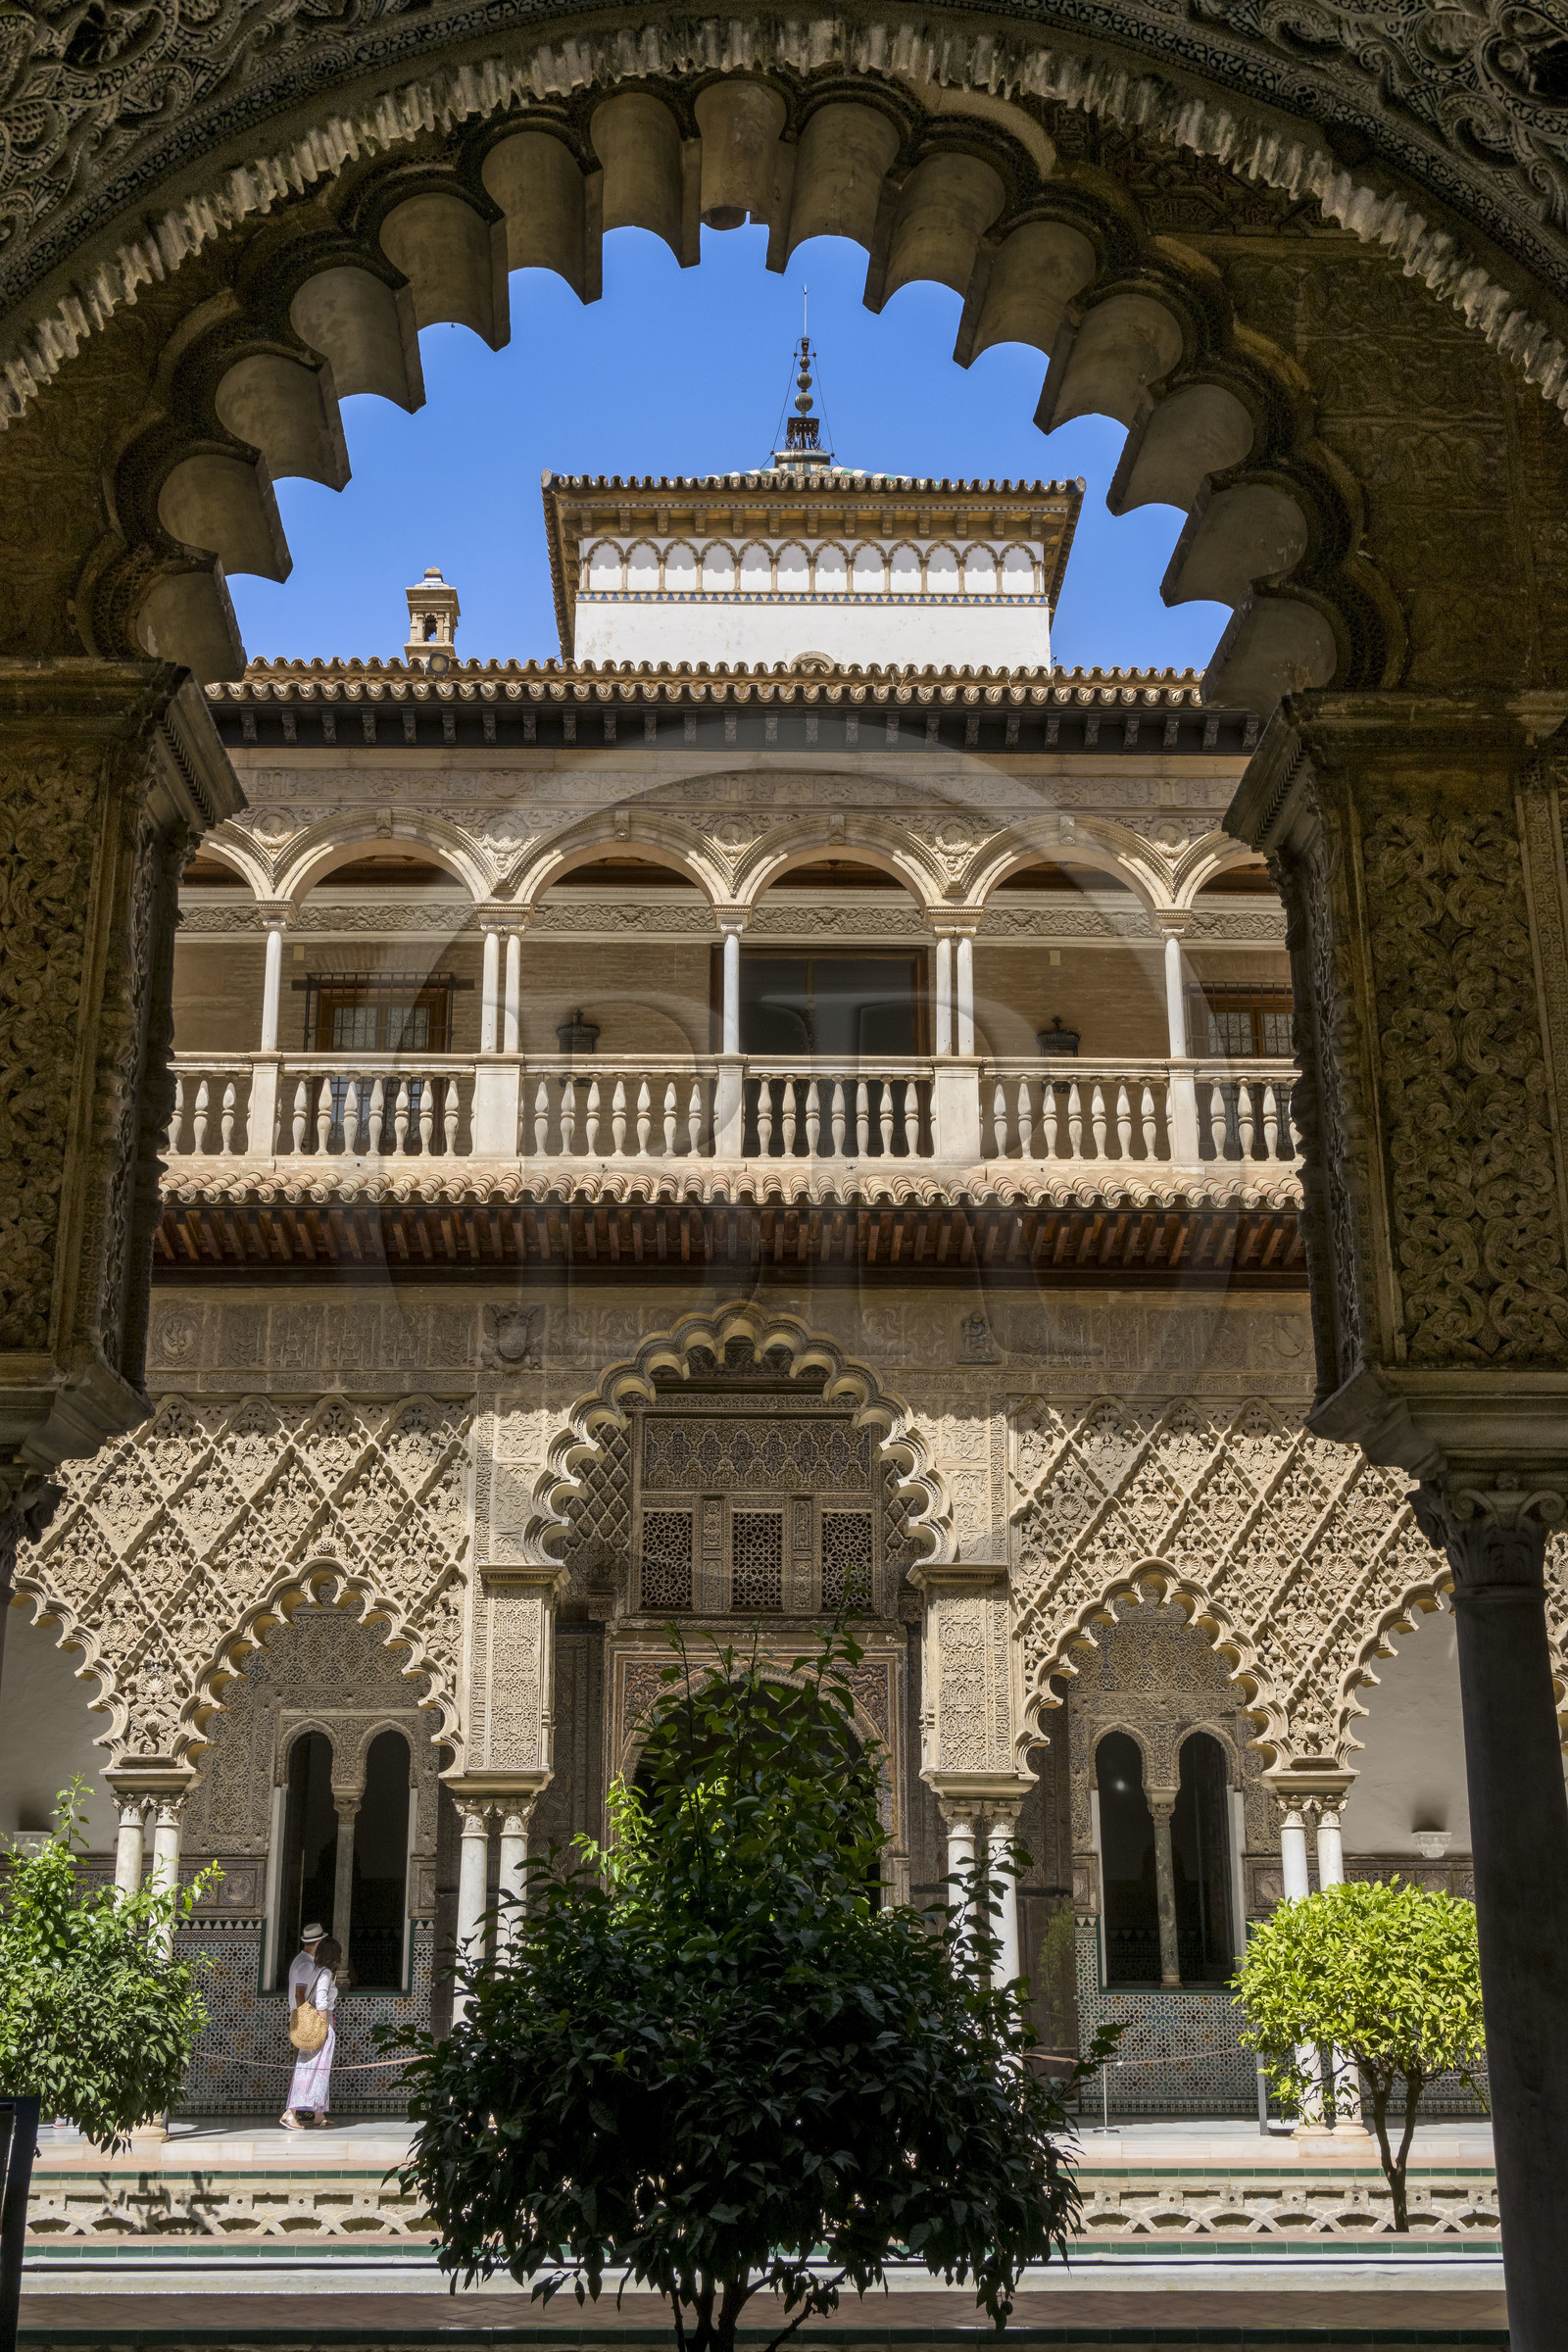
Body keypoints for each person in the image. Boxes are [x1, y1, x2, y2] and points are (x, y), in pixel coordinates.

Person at [281, 1931, 341, 2130]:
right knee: (310, 2070)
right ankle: (290, 2113)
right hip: (319, 2026)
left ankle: (317, 2113)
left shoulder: (316, 1970)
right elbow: (321, 2002)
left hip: (313, 2024)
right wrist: (322, 2028)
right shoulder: (324, 1973)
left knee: (316, 2071)